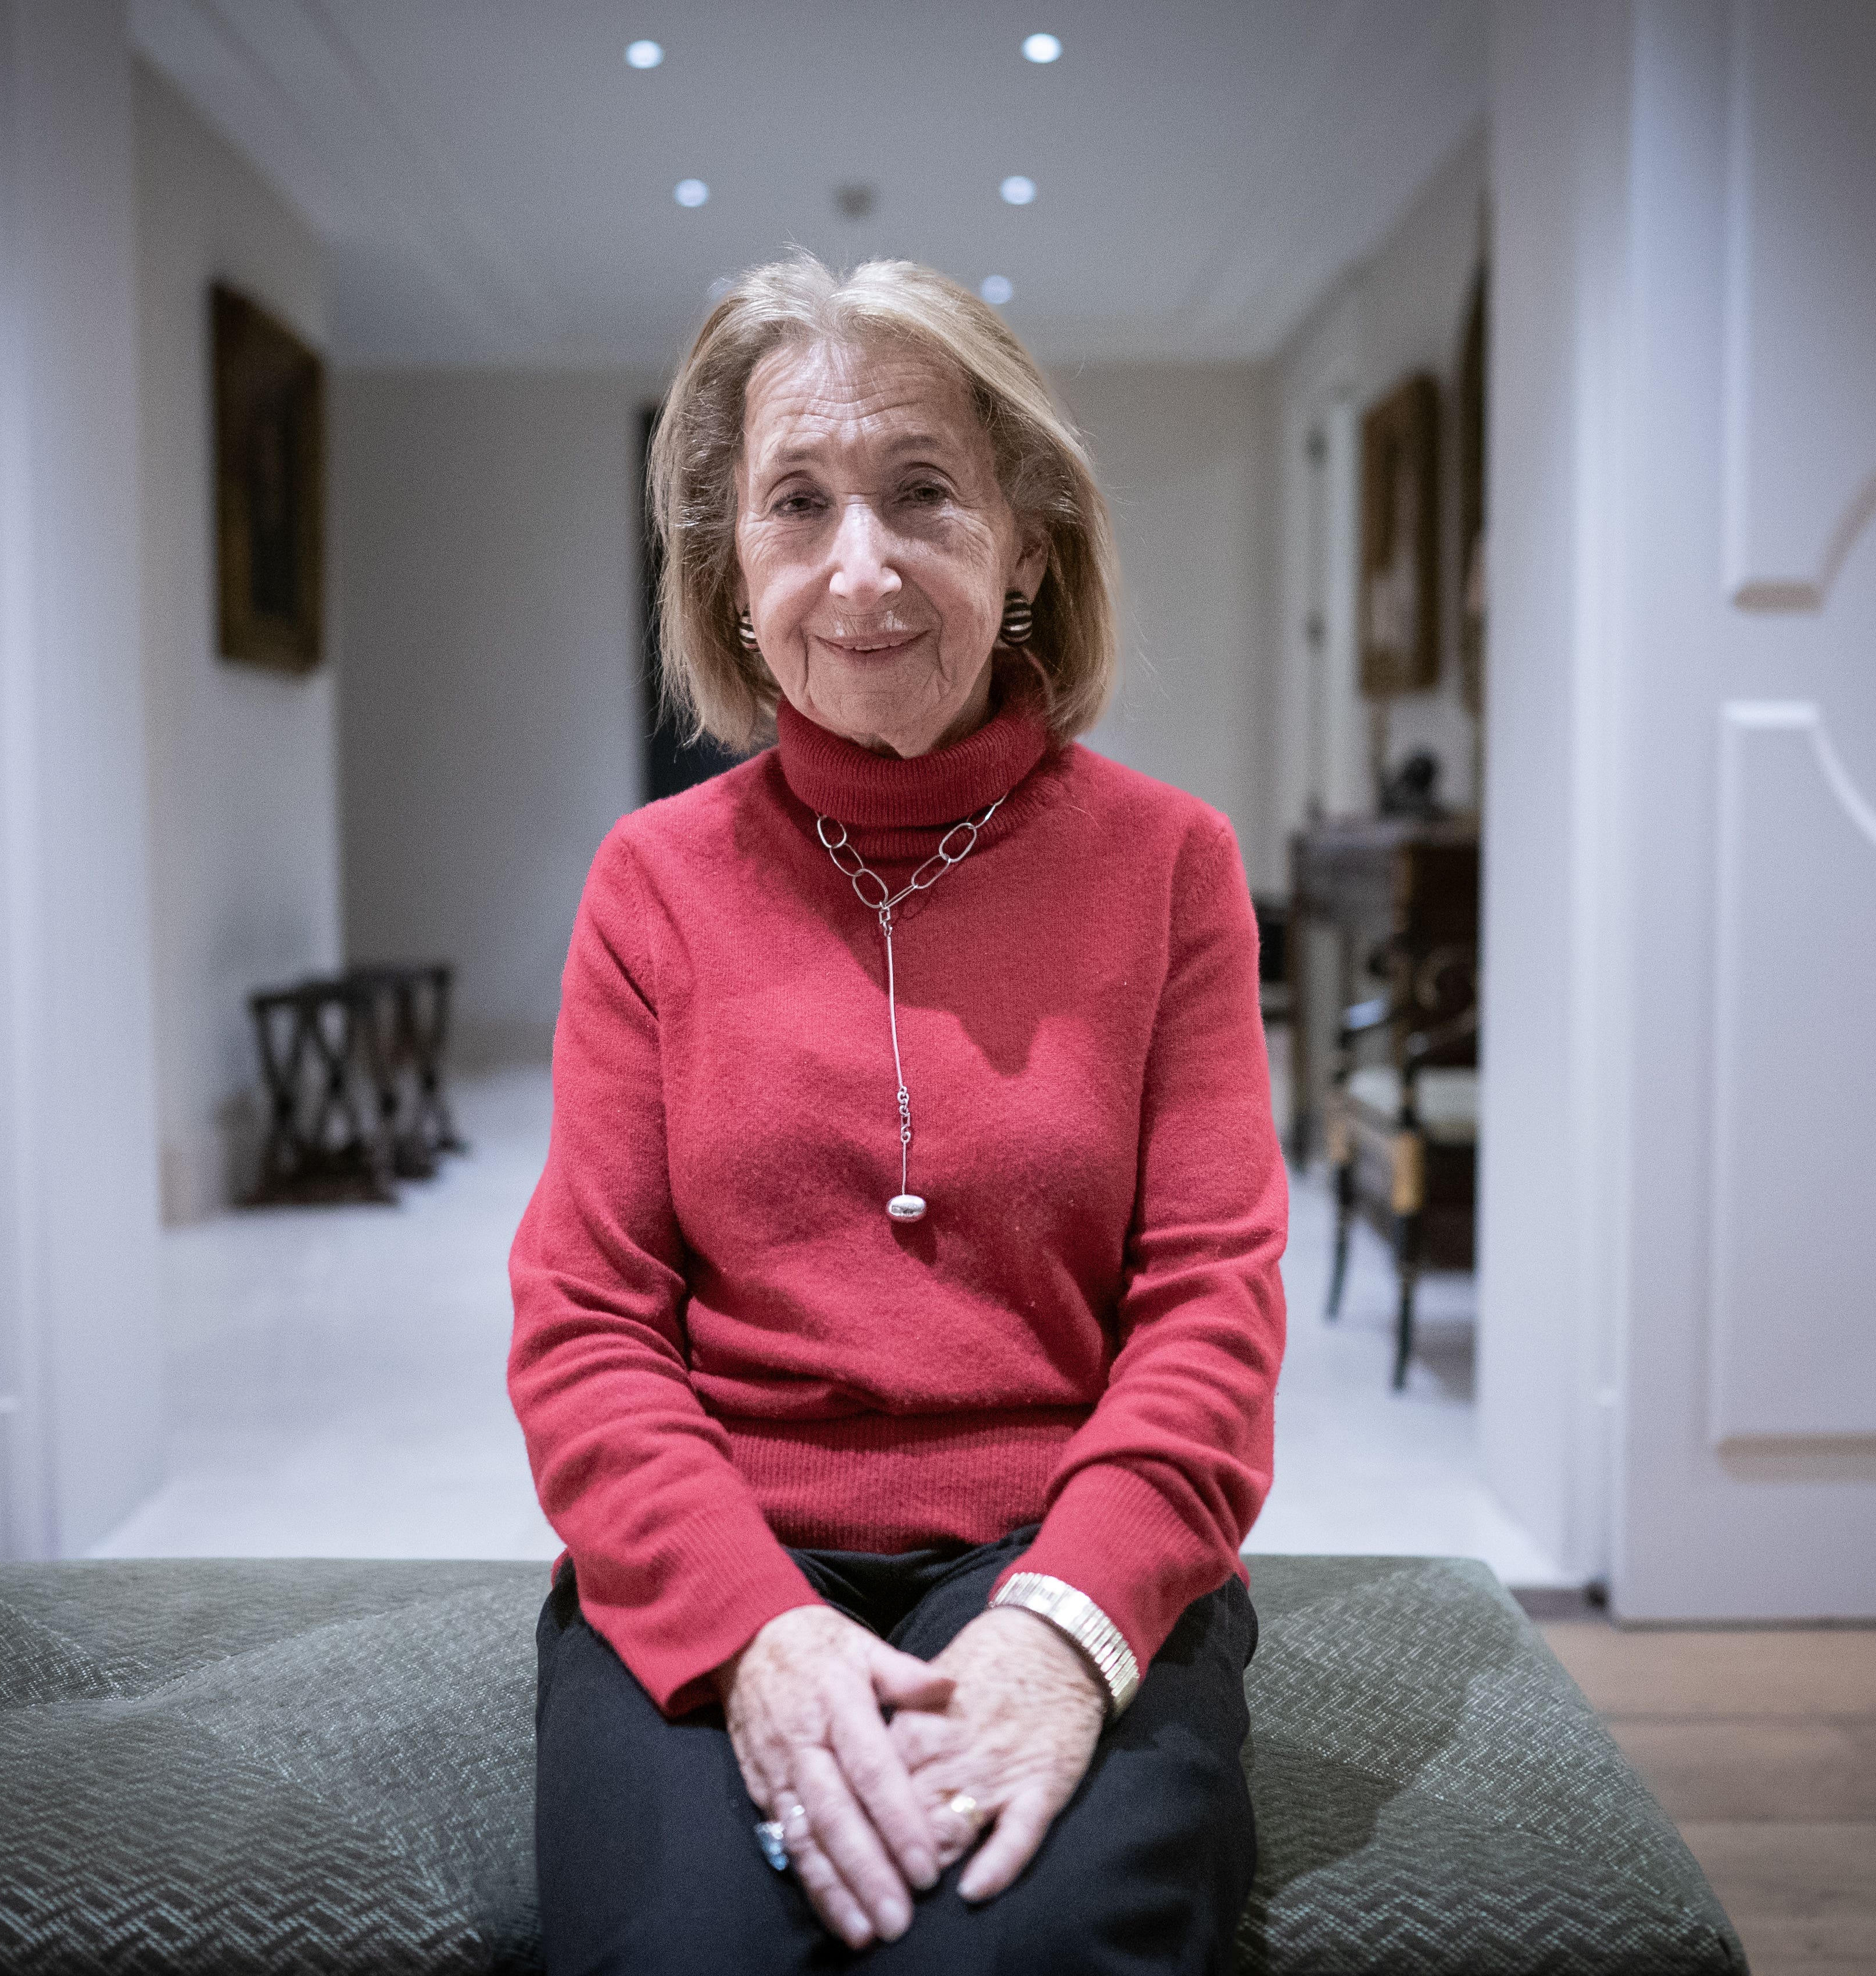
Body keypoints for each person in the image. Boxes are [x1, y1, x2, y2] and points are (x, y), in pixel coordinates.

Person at [509, 252, 1287, 1974]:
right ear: (730, 570)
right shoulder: (650, 883)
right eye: (796, 503)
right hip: (725, 1540)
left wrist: (1060, 1637)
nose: (857, 568)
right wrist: (755, 1636)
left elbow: (1210, 1310)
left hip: (1058, 1542)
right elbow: (582, 1325)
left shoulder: (1170, 867)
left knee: (1028, 1952)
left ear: (1025, 547)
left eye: (921, 493)